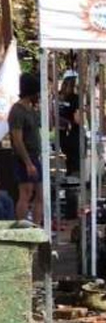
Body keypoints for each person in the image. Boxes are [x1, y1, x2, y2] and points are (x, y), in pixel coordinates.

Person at [9, 73, 44, 224]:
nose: (39, 95)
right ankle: (21, 225)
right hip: (24, 158)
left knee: (40, 195)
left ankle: (36, 228)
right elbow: (17, 140)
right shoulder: (17, 111)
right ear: (31, 92)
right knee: (26, 193)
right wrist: (28, 163)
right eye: (37, 92)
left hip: (35, 156)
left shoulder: (32, 110)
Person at [57, 74, 82, 178]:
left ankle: (69, 173)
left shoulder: (59, 98)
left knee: (68, 156)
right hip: (72, 131)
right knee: (74, 156)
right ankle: (74, 176)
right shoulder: (75, 99)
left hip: (62, 131)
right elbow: (77, 119)